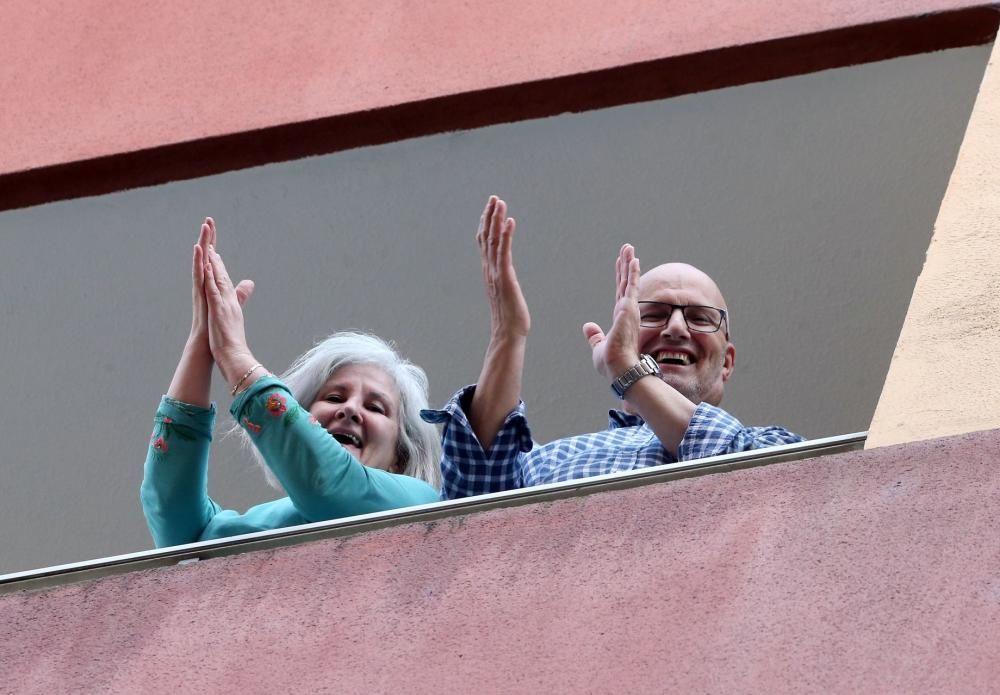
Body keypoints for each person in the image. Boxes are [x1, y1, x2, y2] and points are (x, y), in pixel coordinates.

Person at [422, 196, 804, 498]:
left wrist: (627, 371)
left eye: (699, 318)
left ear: (727, 363)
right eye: (653, 314)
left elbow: (755, 483)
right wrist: (508, 334)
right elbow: (475, 500)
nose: (675, 328)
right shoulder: (542, 462)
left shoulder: (774, 445)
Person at [141, 218, 441, 548]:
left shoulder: (420, 503)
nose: (350, 410)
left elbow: (329, 484)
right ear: (306, 420)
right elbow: (179, 528)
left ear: (399, 457)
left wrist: (233, 353)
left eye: (376, 407)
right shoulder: (261, 520)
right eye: (334, 396)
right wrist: (204, 340)